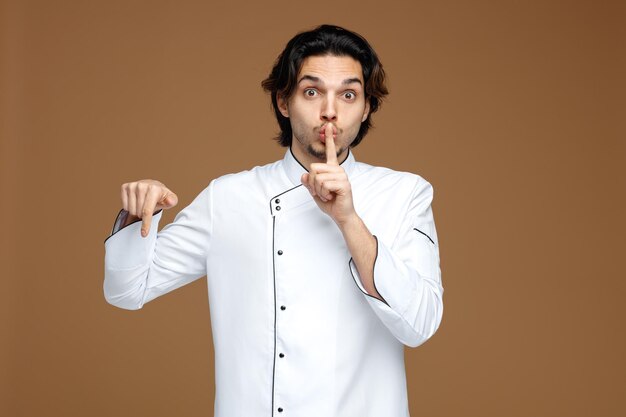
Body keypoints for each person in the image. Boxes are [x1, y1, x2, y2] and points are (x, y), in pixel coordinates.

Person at [104, 24, 443, 417]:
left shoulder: (404, 194)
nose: (329, 111)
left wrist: (349, 220)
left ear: (366, 107)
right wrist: (137, 216)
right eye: (311, 91)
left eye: (348, 94)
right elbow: (126, 291)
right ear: (284, 101)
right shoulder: (229, 197)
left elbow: (419, 325)